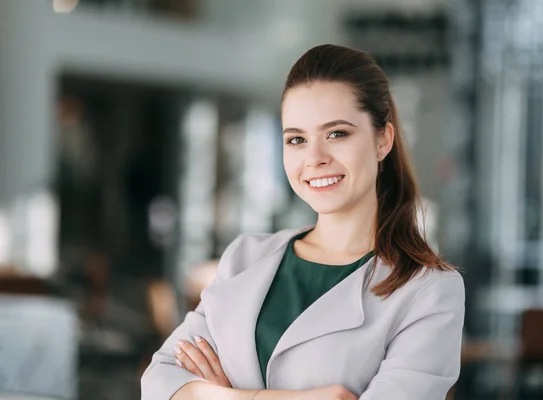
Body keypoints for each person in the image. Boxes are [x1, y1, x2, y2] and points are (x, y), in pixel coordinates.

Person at [141, 44, 465, 400]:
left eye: (337, 134)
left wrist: (216, 393)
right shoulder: (245, 257)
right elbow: (158, 382)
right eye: (297, 139)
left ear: (382, 140)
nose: (315, 158)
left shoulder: (429, 291)